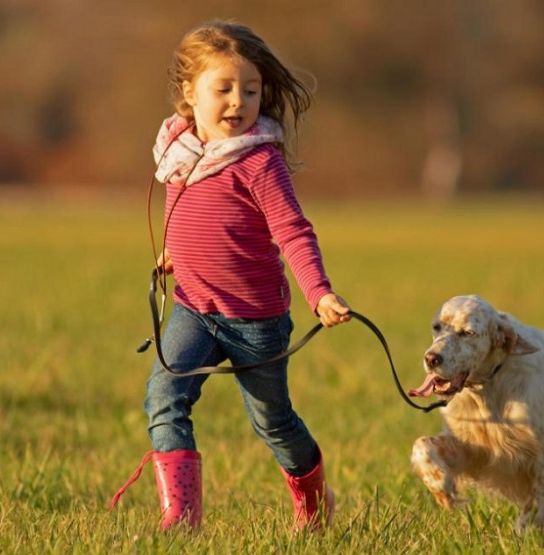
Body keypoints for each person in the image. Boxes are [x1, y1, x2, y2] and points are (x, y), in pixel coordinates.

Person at [109, 20, 351, 532]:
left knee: (274, 422)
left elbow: (292, 231)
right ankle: (182, 519)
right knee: (163, 398)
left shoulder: (259, 162)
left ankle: (314, 504)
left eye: (251, 90)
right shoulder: (181, 150)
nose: (238, 102)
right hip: (194, 308)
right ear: (188, 93)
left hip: (256, 320)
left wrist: (320, 293)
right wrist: (176, 252)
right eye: (223, 89)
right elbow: (192, 211)